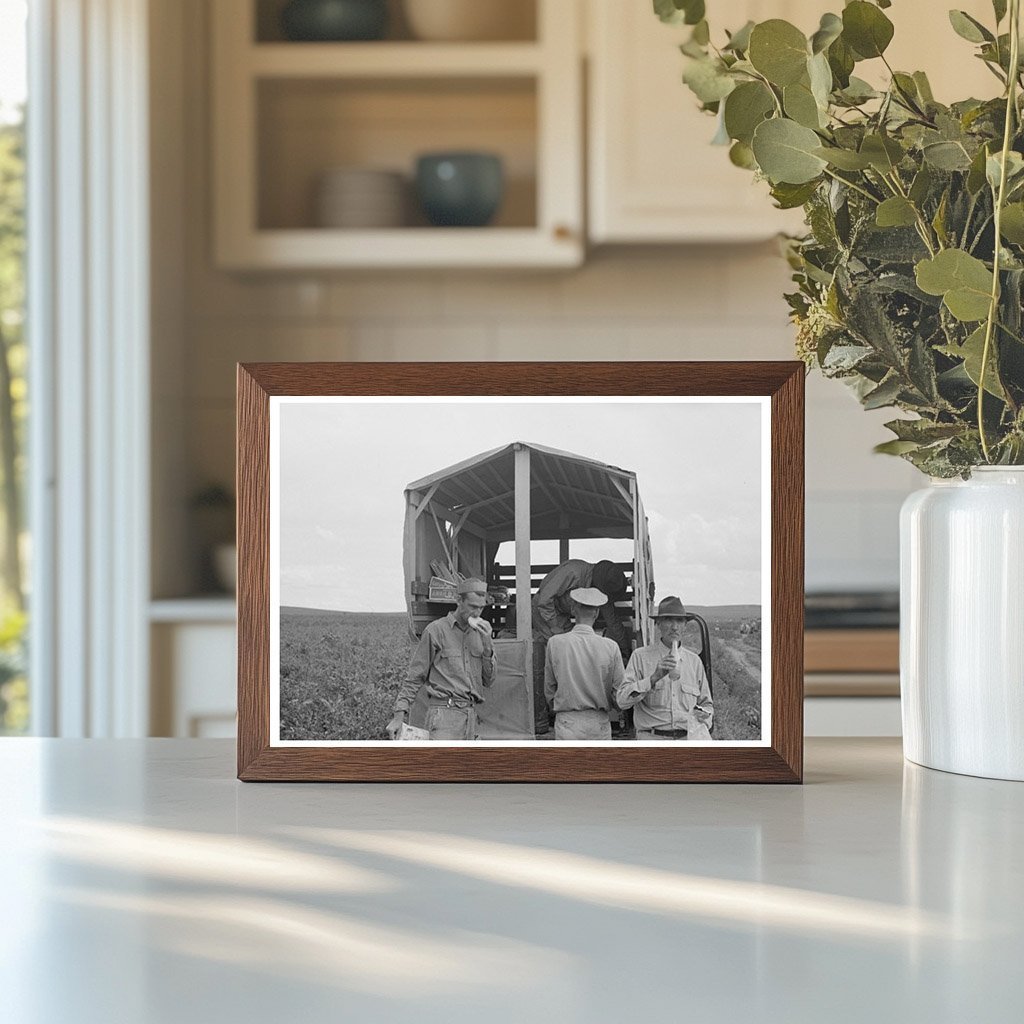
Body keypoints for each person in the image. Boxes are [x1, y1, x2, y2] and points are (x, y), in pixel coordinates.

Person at [387, 578, 495, 741]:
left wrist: (488, 646)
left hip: (471, 716)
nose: (477, 613)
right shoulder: (436, 630)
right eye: (472, 606)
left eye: (481, 608)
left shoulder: (482, 635)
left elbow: (489, 680)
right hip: (444, 716)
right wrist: (398, 716)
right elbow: (415, 677)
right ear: (459, 600)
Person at [531, 558, 630, 734]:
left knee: (572, 653)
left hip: (563, 618)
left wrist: (625, 648)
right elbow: (544, 600)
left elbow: (612, 619)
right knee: (553, 657)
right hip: (545, 613)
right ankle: (540, 721)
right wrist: (555, 628)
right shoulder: (573, 572)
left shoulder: (600, 586)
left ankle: (568, 704)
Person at [617, 595, 713, 741]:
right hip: (652, 739)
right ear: (658, 624)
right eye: (668, 620)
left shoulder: (694, 662)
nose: (674, 627)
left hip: (687, 739)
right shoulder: (640, 657)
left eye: (679, 621)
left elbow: (707, 704)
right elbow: (622, 701)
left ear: (685, 625)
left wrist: (704, 716)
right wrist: (653, 678)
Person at [543, 588, 625, 740]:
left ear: (574, 610)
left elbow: (549, 687)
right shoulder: (611, 646)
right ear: (596, 613)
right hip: (599, 721)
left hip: (568, 721)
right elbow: (619, 693)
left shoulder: (555, 643)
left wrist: (558, 706)